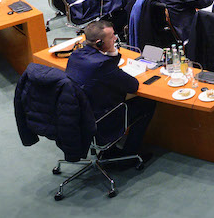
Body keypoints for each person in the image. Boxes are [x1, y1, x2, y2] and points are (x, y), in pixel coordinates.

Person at [66, 20, 155, 161]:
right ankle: (129, 155)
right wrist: (113, 53)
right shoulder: (102, 64)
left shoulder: (76, 55)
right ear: (99, 43)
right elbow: (133, 85)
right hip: (101, 119)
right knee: (147, 103)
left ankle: (112, 149)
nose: (115, 39)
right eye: (112, 36)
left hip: (78, 117)